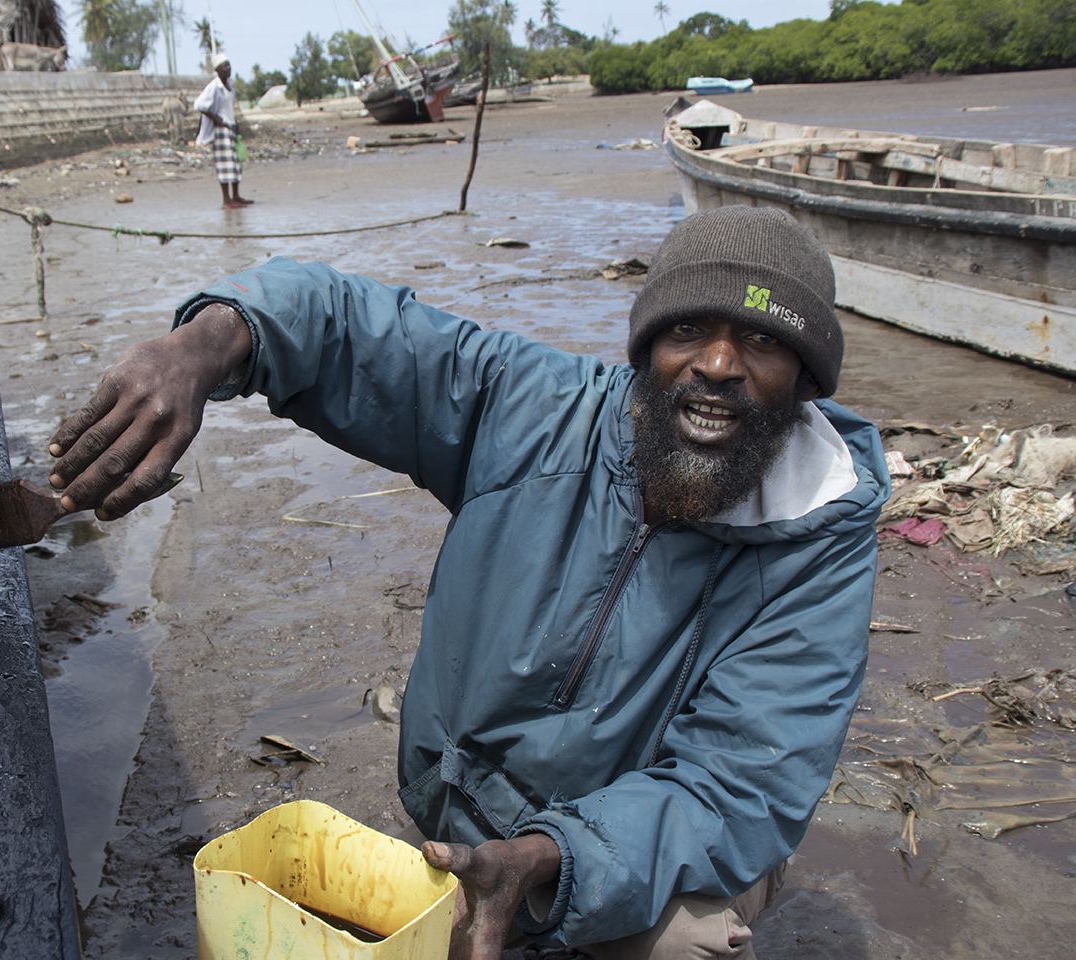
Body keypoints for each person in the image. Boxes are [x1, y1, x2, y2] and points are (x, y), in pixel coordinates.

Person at [46, 206, 889, 958]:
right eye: (686, 334)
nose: (716, 364)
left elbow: (738, 782)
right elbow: (347, 326)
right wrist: (202, 346)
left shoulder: (817, 547)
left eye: (763, 341)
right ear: (643, 352)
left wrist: (554, 859)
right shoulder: (539, 413)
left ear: (808, 381)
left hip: (622, 851)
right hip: (466, 810)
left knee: (694, 942)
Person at [192, 53, 251, 210]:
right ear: (217, 70)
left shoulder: (230, 88)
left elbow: (228, 109)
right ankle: (227, 200)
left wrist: (235, 123)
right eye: (224, 66)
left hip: (230, 128)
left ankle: (236, 196)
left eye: (229, 65)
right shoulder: (214, 86)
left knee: (235, 164)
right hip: (220, 130)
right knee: (225, 165)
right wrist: (215, 117)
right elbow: (199, 105)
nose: (228, 68)